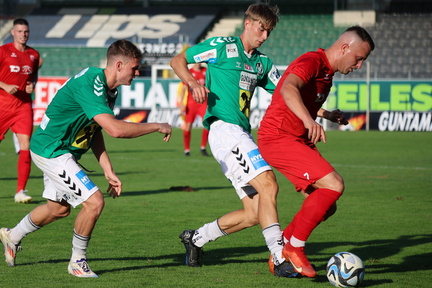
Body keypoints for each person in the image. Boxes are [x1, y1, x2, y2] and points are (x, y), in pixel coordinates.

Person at [0, 39, 172, 277]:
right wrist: (156, 126)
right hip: (52, 150)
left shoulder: (109, 89)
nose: (137, 72)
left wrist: (107, 169)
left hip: (59, 150)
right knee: (94, 202)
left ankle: (12, 236)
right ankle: (77, 262)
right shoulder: (91, 84)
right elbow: (116, 130)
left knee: (58, 209)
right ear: (119, 65)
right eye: (134, 67)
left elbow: (96, 129)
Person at [170, 3, 298, 278]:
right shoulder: (222, 46)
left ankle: (196, 238)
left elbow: (289, 93)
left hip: (240, 133)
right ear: (248, 23)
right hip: (224, 131)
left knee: (254, 212)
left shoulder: (262, 64)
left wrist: (322, 112)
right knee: (268, 184)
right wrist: (193, 83)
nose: (264, 36)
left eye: (269, 32)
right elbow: (178, 60)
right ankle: (279, 257)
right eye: (261, 29)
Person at [257, 26, 375, 278]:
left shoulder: (326, 72)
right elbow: (288, 88)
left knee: (326, 205)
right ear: (344, 48)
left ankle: (282, 247)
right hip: (278, 137)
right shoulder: (311, 61)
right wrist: (310, 121)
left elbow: (305, 98)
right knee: (334, 185)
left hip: (295, 139)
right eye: (359, 58)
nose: (360, 65)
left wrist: (324, 114)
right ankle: (294, 248)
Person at [0, 18, 40, 203]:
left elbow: (33, 77)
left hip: (23, 106)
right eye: (20, 31)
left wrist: (32, 85)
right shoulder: (3, 51)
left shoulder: (34, 55)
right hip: (2, 104)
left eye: (26, 31)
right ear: (12, 33)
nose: (23, 35)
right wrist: (4, 85)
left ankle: (20, 191)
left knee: (26, 145)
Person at [176, 63, 209, 156]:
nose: (198, 63)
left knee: (207, 125)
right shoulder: (189, 72)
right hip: (191, 104)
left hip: (203, 103)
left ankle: (203, 147)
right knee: (188, 126)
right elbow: (183, 89)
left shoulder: (205, 71)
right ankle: (187, 150)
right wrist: (182, 103)